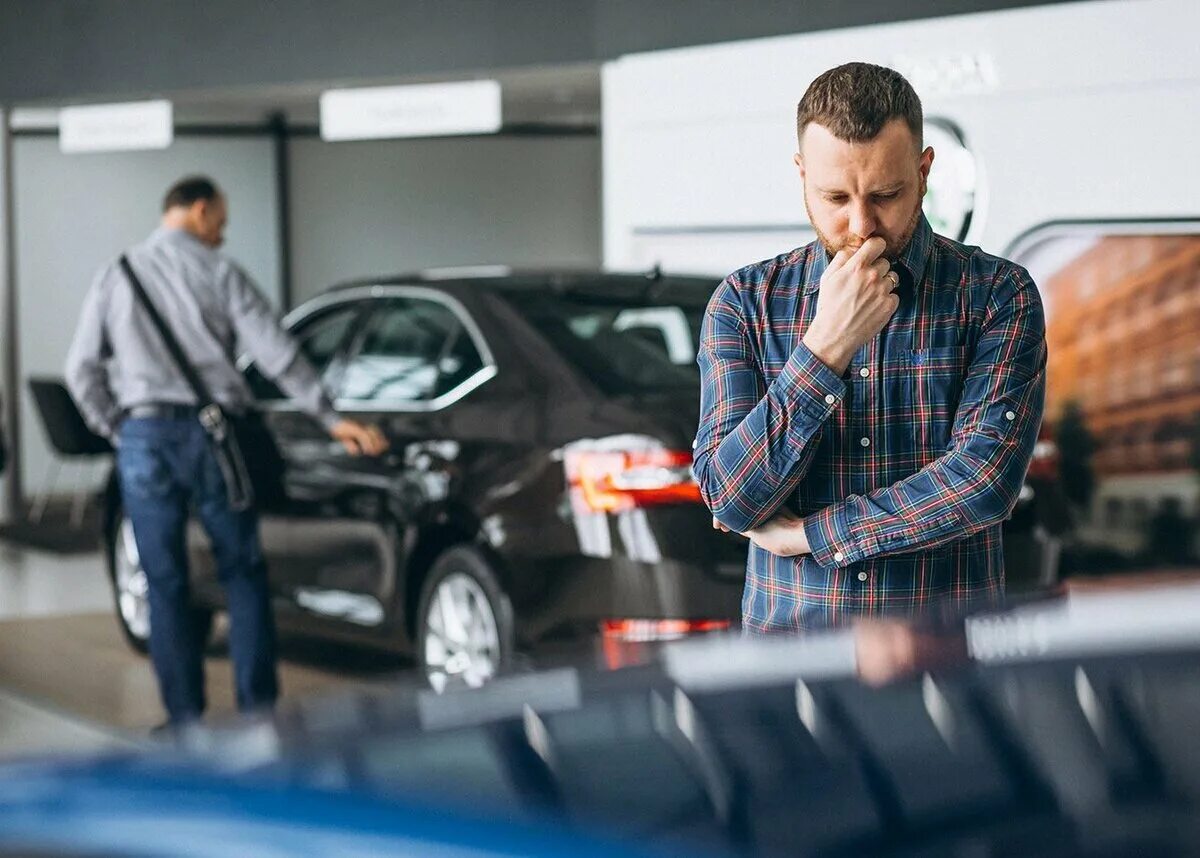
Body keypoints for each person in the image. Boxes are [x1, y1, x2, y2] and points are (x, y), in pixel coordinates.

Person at [693, 63, 1046, 633]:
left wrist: (812, 534)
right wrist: (827, 346)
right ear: (801, 174)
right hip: (790, 676)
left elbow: (983, 482)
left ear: (925, 170)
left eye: (886, 194)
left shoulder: (997, 295)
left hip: (944, 670)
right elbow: (730, 500)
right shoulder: (745, 303)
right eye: (834, 196)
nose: (861, 224)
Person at [65, 176, 388, 726]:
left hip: (143, 440)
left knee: (163, 579)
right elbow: (276, 353)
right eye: (220, 218)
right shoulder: (219, 273)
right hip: (213, 437)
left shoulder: (114, 275)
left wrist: (119, 427)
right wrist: (332, 417)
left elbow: (80, 369)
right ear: (197, 210)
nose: (223, 231)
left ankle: (185, 719)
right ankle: (256, 712)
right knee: (241, 571)